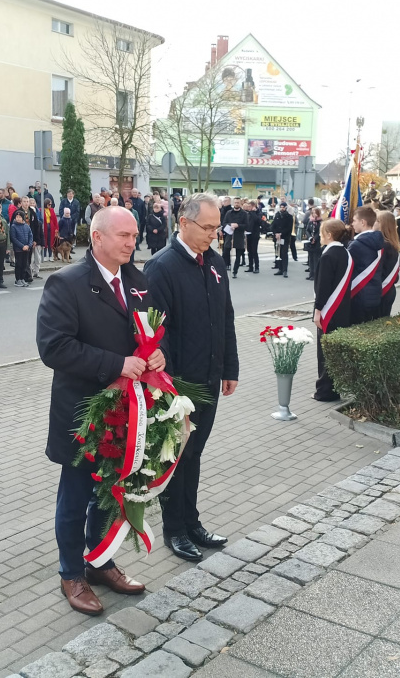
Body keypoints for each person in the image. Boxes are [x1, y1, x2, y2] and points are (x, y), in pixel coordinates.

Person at [35, 207, 156, 615]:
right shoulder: (66, 284)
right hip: (84, 415)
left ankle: (100, 560)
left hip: (128, 414)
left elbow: (155, 329)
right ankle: (72, 574)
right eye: (123, 235)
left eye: (134, 235)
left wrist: (157, 355)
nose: (131, 242)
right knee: (75, 497)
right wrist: (115, 364)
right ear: (97, 238)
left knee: (111, 495)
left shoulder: (138, 280)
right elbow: (54, 348)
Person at [145, 193, 238, 562]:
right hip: (179, 386)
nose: (215, 235)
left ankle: (192, 522)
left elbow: (225, 319)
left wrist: (229, 368)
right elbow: (157, 332)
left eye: (217, 227)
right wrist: (168, 385)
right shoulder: (161, 267)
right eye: (208, 227)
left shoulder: (214, 263)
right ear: (184, 223)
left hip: (211, 378)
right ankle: (175, 530)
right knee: (176, 457)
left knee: (194, 454)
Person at [312, 218, 353, 401]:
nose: (320, 237)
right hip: (342, 309)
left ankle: (324, 391)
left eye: (321, 233)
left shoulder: (328, 255)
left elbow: (323, 287)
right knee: (334, 353)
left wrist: (317, 310)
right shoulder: (345, 253)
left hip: (329, 310)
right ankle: (334, 388)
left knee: (325, 353)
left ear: (328, 235)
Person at [347, 206, 385, 323]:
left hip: (359, 295)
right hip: (375, 294)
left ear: (363, 222)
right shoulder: (379, 241)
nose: (352, 224)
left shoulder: (357, 245)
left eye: (354, 220)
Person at [375, 211, 400, 317]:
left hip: (383, 290)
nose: (374, 223)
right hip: (388, 290)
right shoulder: (391, 244)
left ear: (384, 225)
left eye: (377, 221)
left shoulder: (385, 246)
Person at [221, 197, 248, 277]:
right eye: (235, 202)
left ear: (240, 204)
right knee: (226, 251)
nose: (236, 204)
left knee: (238, 254)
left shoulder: (244, 213)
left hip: (239, 236)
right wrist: (230, 225)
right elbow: (224, 223)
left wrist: (238, 225)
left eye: (238, 203)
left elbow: (246, 225)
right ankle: (226, 266)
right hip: (230, 235)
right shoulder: (229, 213)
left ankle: (235, 271)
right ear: (233, 203)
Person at [10, 210, 34, 287]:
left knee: (24, 264)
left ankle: (23, 278)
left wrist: (29, 245)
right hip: (18, 249)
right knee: (19, 264)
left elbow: (30, 236)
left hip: (26, 249)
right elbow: (13, 238)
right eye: (17, 217)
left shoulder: (26, 226)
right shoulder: (13, 226)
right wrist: (22, 246)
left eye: (20, 217)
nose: (18, 218)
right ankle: (18, 279)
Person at [271, 202, 293, 277]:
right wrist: (275, 233)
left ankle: (284, 270)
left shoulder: (289, 217)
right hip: (277, 238)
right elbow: (273, 226)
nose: (282, 208)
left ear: (286, 208)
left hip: (284, 238)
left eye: (283, 207)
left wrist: (281, 234)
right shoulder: (277, 215)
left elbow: (289, 228)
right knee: (278, 253)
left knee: (284, 254)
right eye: (281, 207)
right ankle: (280, 269)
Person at [244, 199, 262, 274]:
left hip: (255, 234)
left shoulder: (258, 212)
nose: (248, 207)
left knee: (254, 251)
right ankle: (250, 266)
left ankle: (257, 267)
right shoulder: (248, 213)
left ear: (253, 206)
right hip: (248, 234)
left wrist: (254, 212)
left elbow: (258, 221)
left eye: (250, 206)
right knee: (249, 251)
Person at [305, 207, 323, 281]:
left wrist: (315, 238)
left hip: (317, 243)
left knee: (316, 259)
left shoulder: (320, 222)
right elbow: (307, 230)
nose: (314, 214)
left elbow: (319, 232)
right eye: (313, 213)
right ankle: (311, 274)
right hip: (310, 243)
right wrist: (310, 238)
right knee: (311, 259)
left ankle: (315, 275)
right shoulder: (310, 221)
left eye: (315, 213)